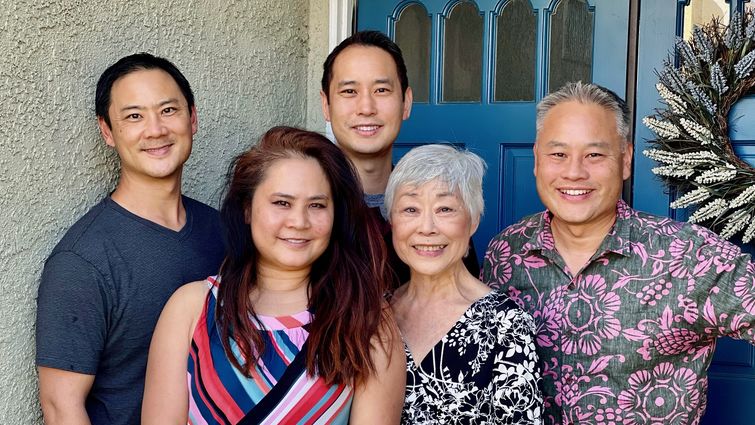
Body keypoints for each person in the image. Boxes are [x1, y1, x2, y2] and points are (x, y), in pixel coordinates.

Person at [481, 81, 755, 425]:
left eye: (594, 155)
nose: (574, 172)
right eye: (558, 154)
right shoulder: (506, 252)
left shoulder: (690, 255)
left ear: (625, 160)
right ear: (536, 159)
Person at [142, 126, 405, 424]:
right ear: (247, 209)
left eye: (317, 205)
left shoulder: (367, 318)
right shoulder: (191, 308)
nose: (299, 221)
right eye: (282, 203)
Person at [35, 53, 224, 424]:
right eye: (134, 116)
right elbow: (61, 408)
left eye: (168, 110)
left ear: (193, 117)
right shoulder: (82, 261)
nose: (155, 129)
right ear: (107, 131)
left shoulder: (224, 231)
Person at [385, 144, 542, 424]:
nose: (427, 227)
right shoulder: (376, 313)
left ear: (473, 221)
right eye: (410, 209)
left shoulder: (506, 325)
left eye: (445, 209)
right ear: (392, 222)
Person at [320, 30, 479, 286]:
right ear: (326, 105)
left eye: (381, 90)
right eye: (349, 92)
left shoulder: (438, 209)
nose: (366, 108)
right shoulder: (307, 209)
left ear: (406, 102)